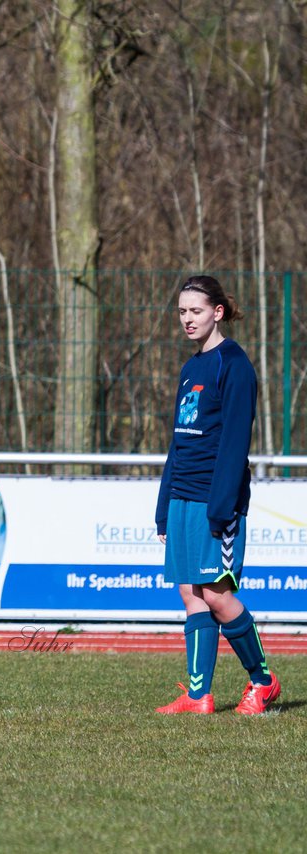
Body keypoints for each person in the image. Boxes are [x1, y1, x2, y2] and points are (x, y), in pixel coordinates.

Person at [154, 275, 280, 715]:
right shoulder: (191, 368)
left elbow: (233, 446)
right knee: (190, 594)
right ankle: (198, 695)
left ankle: (263, 681)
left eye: (196, 311)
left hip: (215, 500)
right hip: (182, 497)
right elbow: (179, 442)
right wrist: (163, 506)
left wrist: (222, 506)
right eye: (182, 312)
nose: (188, 319)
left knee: (217, 595)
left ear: (217, 312)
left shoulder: (235, 365)